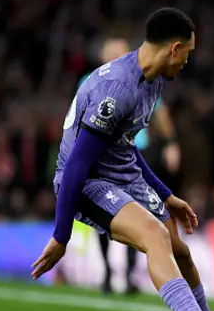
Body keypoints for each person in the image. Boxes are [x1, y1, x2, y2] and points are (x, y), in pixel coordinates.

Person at [33, 7, 214, 311]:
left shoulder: (153, 80)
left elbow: (124, 144)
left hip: (125, 175)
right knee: (155, 236)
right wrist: (61, 236)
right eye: (188, 52)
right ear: (174, 48)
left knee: (180, 251)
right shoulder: (118, 89)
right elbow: (78, 162)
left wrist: (165, 194)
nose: (188, 61)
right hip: (88, 181)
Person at [78, 38, 182, 295]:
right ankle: (107, 271)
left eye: (120, 53)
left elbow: (160, 112)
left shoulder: (142, 80)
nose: (116, 57)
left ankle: (129, 275)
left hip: (136, 154)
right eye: (111, 53)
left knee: (138, 213)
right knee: (104, 214)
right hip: (102, 155)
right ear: (103, 56)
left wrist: (171, 143)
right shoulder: (90, 81)